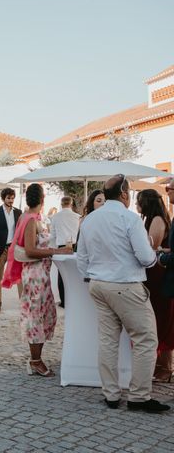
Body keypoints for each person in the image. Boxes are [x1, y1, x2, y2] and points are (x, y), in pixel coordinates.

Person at [78, 175, 168, 413]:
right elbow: (147, 258)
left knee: (108, 341)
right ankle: (139, 396)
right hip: (126, 285)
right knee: (146, 339)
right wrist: (148, 248)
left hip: (98, 284)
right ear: (124, 194)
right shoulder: (130, 218)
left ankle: (111, 394)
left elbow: (82, 258)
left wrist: (91, 276)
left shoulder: (89, 220)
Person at [2, 184, 72, 377]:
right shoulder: (31, 220)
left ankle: (36, 358)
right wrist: (56, 251)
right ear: (42, 200)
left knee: (43, 314)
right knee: (36, 316)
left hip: (39, 274)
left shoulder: (30, 218)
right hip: (34, 275)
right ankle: (35, 361)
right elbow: (31, 250)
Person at [139, 188, 174, 382]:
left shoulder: (158, 220)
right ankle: (161, 366)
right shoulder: (151, 219)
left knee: (162, 320)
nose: (137, 205)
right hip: (155, 276)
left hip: (159, 275)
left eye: (140, 201)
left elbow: (151, 248)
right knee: (157, 319)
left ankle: (166, 368)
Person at [0, 188, 23, 313]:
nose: (11, 200)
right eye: (9, 198)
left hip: (14, 248)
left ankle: (23, 302)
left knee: (20, 276)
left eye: (13, 198)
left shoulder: (18, 212)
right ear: (3, 198)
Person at [49, 196, 81, 308]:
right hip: (76, 246)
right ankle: (75, 298)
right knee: (75, 272)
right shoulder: (78, 217)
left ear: (61, 204)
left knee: (62, 273)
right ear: (71, 204)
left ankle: (63, 301)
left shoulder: (55, 217)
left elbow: (52, 235)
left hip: (62, 247)